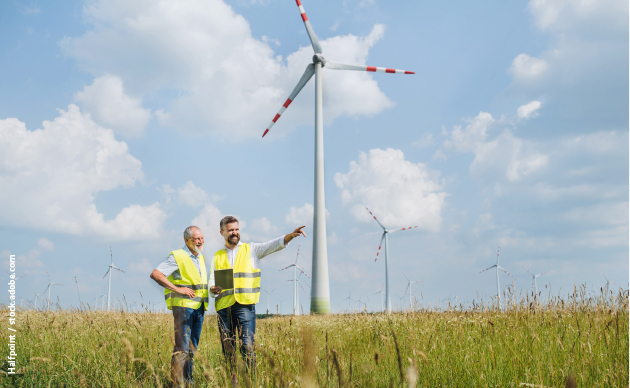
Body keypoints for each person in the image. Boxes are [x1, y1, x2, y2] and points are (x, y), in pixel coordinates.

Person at [212, 215, 305, 374]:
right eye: (230, 230)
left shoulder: (252, 249)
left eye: (236, 229)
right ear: (222, 233)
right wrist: (212, 289)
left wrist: (290, 236)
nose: (234, 233)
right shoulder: (217, 255)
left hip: (245, 306)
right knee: (228, 348)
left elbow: (273, 245)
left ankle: (250, 381)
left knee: (247, 346)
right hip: (224, 307)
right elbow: (211, 280)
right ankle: (231, 381)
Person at [150, 226, 222, 388]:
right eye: (196, 239)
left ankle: (189, 383)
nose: (200, 241)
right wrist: (177, 289)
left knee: (191, 349)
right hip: (183, 308)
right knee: (182, 348)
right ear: (186, 240)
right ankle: (176, 384)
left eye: (202, 238)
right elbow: (156, 274)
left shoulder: (200, 258)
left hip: (199, 307)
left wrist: (212, 289)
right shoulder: (178, 256)